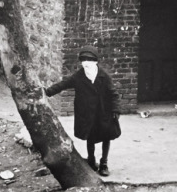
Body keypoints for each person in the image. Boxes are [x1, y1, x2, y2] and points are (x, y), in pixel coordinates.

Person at [45, 46, 121, 176]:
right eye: (83, 60)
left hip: (103, 112)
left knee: (106, 137)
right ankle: (91, 161)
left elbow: (113, 94)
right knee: (90, 137)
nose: (86, 62)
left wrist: (115, 109)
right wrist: (47, 91)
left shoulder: (104, 76)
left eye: (90, 60)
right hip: (87, 113)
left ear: (96, 61)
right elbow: (63, 84)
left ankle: (104, 163)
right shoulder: (78, 76)